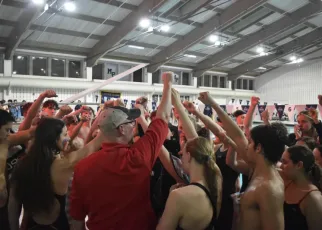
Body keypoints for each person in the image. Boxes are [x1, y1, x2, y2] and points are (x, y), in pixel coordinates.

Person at [69, 72, 173, 230]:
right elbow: (163, 117)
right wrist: (168, 84)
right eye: (131, 122)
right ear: (122, 129)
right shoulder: (137, 157)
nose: (134, 125)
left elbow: (77, 220)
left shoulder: (82, 168)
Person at [198, 91, 287, 230]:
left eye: (250, 142)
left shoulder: (269, 188)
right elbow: (237, 134)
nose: (246, 146)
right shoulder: (256, 169)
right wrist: (212, 104)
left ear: (258, 148)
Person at [8, 118, 102, 230]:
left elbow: (13, 207)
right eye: (65, 134)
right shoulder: (64, 164)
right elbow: (91, 147)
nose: (68, 137)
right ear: (54, 138)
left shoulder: (22, 164)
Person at [157, 89, 222, 230]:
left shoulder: (179, 196)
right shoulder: (216, 179)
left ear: (190, 155)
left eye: (183, 154)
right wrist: (179, 106)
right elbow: (195, 141)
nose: (180, 153)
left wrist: (170, 199)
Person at [280, 145, 322, 230]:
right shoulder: (287, 182)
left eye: (285, 162)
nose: (281, 166)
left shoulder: (313, 198)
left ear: (299, 165)